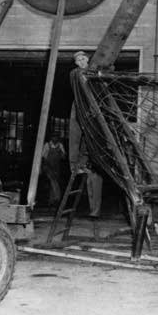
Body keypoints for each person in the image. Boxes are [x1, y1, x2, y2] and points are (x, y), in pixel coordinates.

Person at [69, 51, 103, 220]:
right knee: (75, 134)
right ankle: (76, 164)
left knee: (94, 181)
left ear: (88, 59)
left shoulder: (95, 72)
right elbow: (78, 78)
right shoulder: (75, 73)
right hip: (80, 104)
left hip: (92, 104)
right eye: (78, 60)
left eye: (83, 58)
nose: (81, 61)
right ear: (76, 63)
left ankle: (95, 211)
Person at [42, 134, 66, 206]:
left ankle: (51, 200)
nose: (55, 138)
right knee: (53, 181)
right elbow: (43, 157)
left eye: (56, 137)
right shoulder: (47, 145)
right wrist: (45, 166)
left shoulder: (60, 145)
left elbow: (63, 157)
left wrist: (62, 154)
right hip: (48, 166)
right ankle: (57, 198)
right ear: (51, 138)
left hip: (57, 167)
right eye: (53, 137)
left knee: (54, 182)